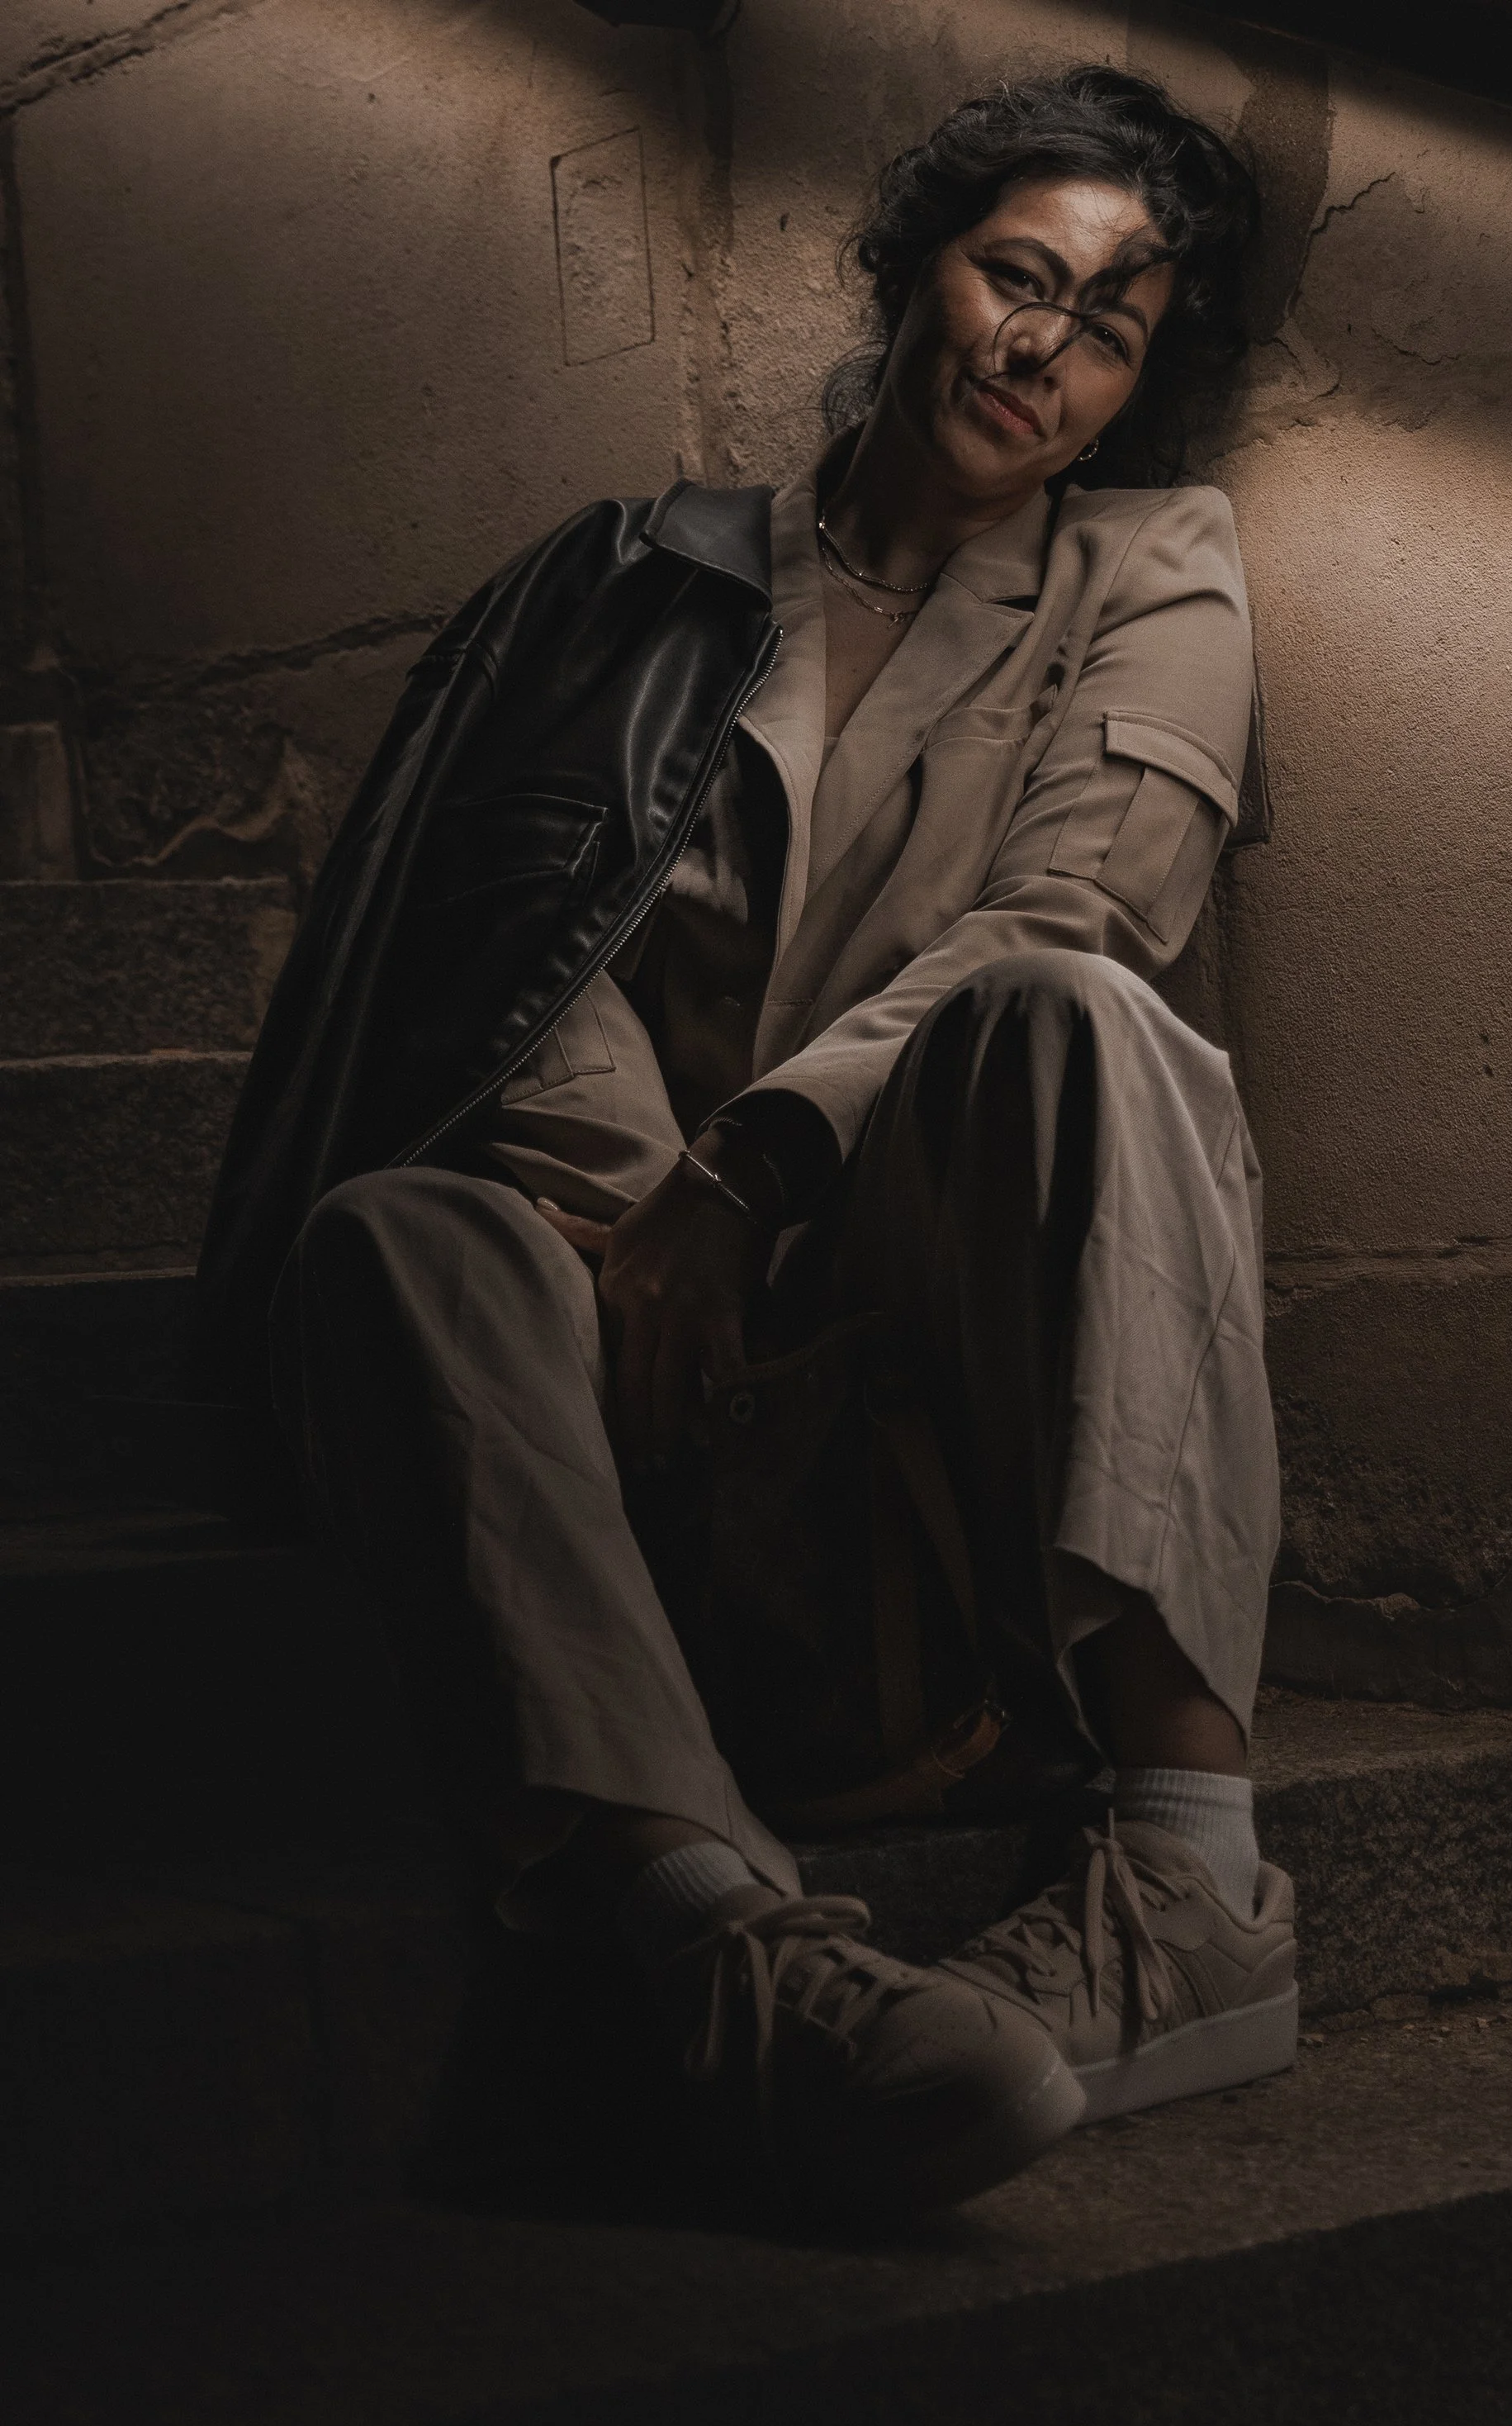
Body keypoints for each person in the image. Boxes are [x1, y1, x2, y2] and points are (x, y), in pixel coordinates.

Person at [201, 65, 1294, 2221]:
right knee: (399, 1230)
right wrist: (633, 1224)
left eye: (1111, 321)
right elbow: (515, 953)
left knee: (1077, 1012)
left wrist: (753, 1170)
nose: (1039, 347)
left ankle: (1184, 1875)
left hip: (936, 1375)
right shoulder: (652, 582)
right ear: (910, 267)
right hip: (642, 1360)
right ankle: (721, 1948)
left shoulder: (1150, 569)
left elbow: (1074, 908)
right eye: (1013, 272)